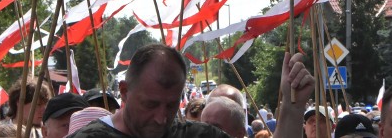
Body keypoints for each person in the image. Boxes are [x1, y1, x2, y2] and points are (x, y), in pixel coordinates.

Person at [68, 43, 313, 138]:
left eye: (172, 104)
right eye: (151, 104)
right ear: (124, 91)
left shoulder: (198, 137)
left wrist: (293, 107)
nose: (162, 117)